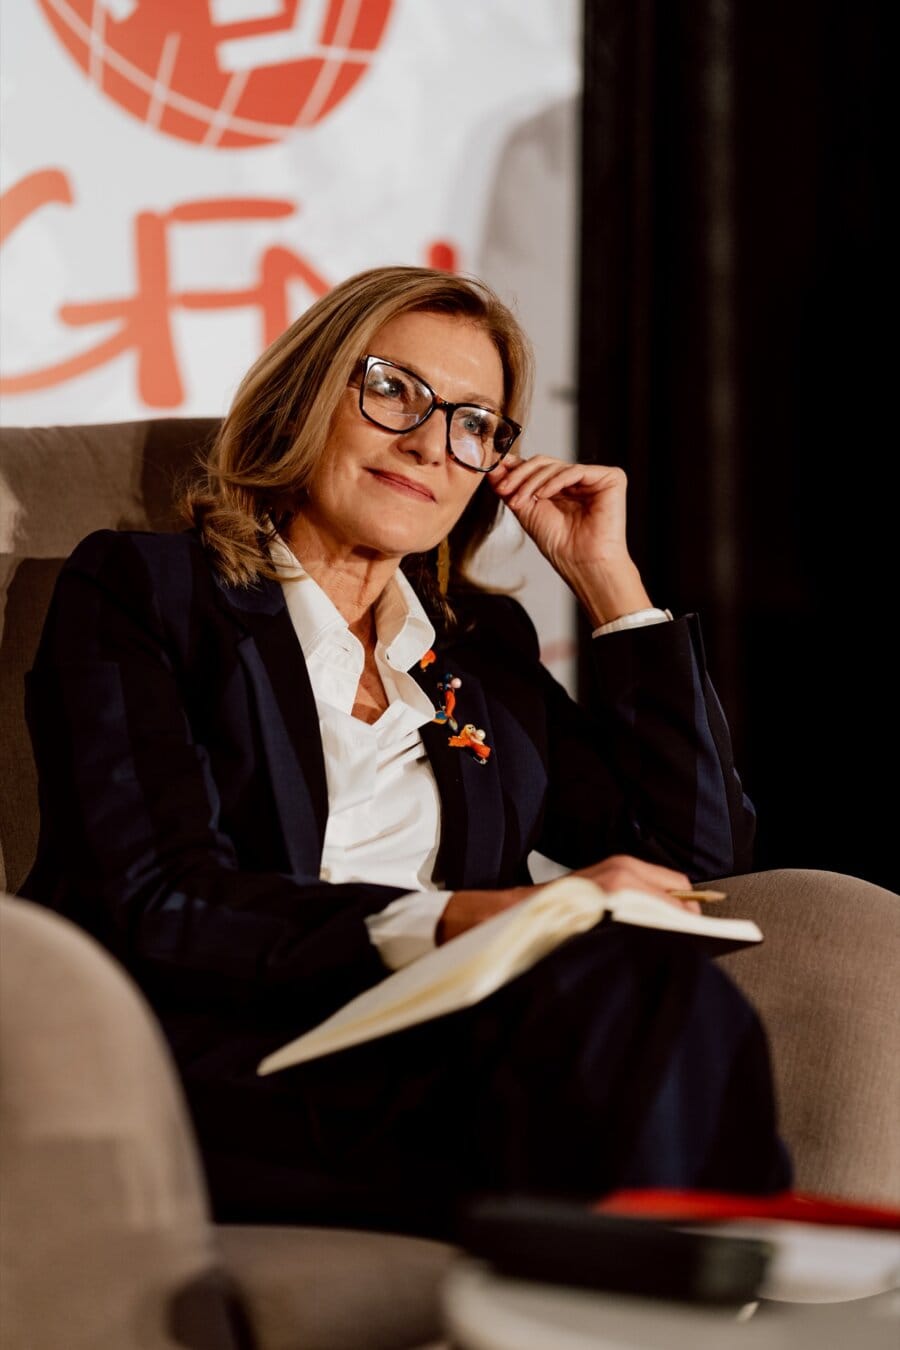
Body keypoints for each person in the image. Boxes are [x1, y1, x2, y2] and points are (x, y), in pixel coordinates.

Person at [21, 265, 790, 1237]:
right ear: (308, 397)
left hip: (446, 1055)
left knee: (669, 1002)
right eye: (394, 390)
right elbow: (153, 897)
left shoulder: (480, 652)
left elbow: (698, 863)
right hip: (231, 1058)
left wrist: (611, 585)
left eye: (474, 423)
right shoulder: (149, 594)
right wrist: (463, 918)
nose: (430, 442)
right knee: (619, 1034)